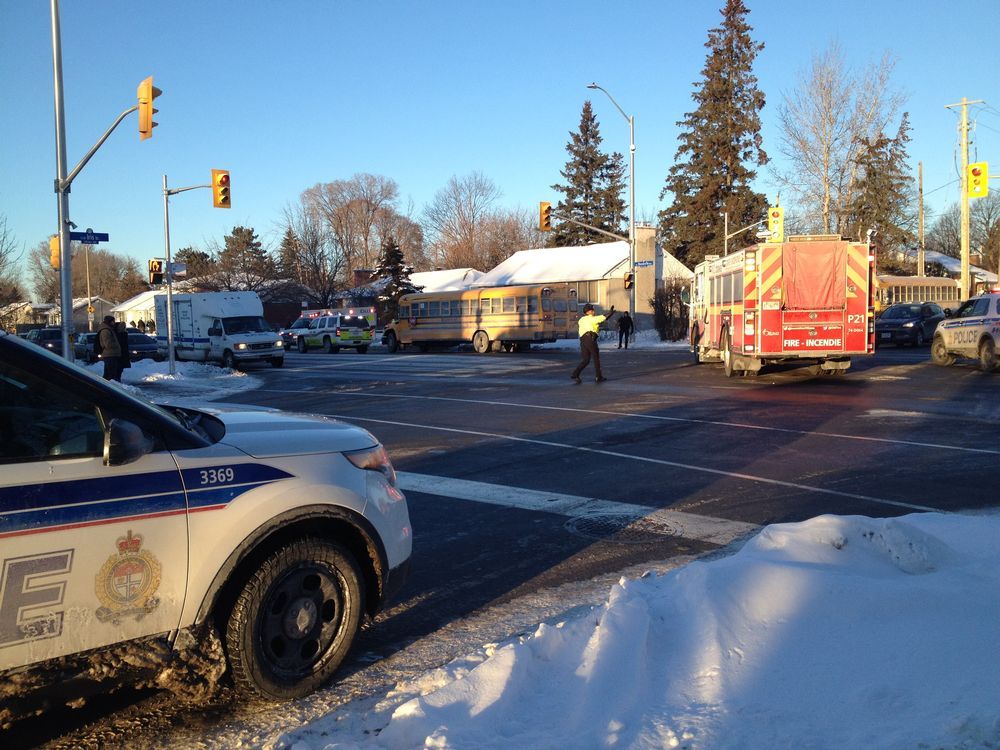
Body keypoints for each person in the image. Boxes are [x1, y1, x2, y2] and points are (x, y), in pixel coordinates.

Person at [571, 303, 616, 384]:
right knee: (596, 358)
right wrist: (610, 312)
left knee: (586, 360)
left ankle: (575, 374)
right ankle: (598, 377)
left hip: (583, 340)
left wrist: (608, 314)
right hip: (590, 339)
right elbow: (603, 317)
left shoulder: (581, 320)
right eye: (592, 310)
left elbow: (602, 318)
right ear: (588, 312)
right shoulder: (591, 319)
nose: (593, 311)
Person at [97, 316, 122, 381]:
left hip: (112, 354)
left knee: (111, 372)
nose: (114, 323)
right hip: (109, 354)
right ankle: (106, 386)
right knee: (109, 373)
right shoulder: (106, 330)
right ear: (109, 322)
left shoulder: (110, 329)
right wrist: (116, 345)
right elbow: (107, 344)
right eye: (113, 321)